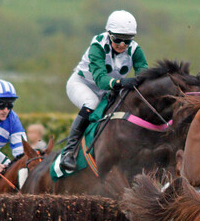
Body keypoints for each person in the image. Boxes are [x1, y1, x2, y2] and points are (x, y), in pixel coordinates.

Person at [61, 10, 148, 172]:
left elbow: (144, 74)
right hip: (82, 84)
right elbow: (101, 80)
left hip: (109, 89)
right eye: (118, 40)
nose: (122, 45)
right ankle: (69, 152)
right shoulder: (97, 47)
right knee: (91, 103)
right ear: (109, 34)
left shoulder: (135, 50)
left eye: (127, 41)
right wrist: (122, 82)